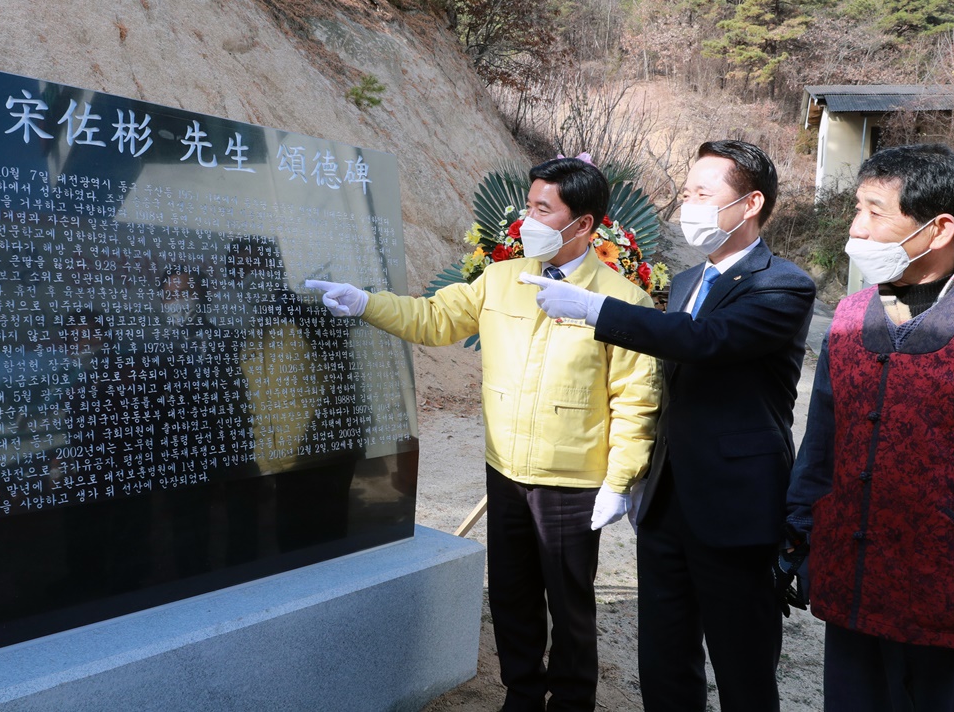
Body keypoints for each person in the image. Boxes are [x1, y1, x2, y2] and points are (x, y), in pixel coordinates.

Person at [307, 156, 661, 712]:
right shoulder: (500, 278)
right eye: (528, 204)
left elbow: (636, 398)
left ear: (585, 225)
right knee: (513, 594)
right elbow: (433, 318)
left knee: (569, 604)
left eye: (544, 209)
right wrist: (365, 302)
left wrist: (620, 480)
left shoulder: (623, 302)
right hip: (505, 470)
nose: (528, 220)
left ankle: (572, 702)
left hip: (572, 483)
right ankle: (521, 695)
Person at [522, 140, 816, 712]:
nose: (688, 205)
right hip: (665, 501)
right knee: (663, 659)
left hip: (735, 507)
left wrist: (595, 309)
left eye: (703, 194)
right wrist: (632, 474)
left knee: (743, 667)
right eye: (686, 193)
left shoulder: (782, 284)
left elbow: (706, 342)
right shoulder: (683, 283)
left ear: (751, 203)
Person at [785, 144, 954, 711]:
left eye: (874, 212)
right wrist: (797, 536)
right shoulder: (850, 315)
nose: (856, 229)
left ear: (937, 230)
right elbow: (822, 441)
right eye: (856, 209)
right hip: (858, 592)